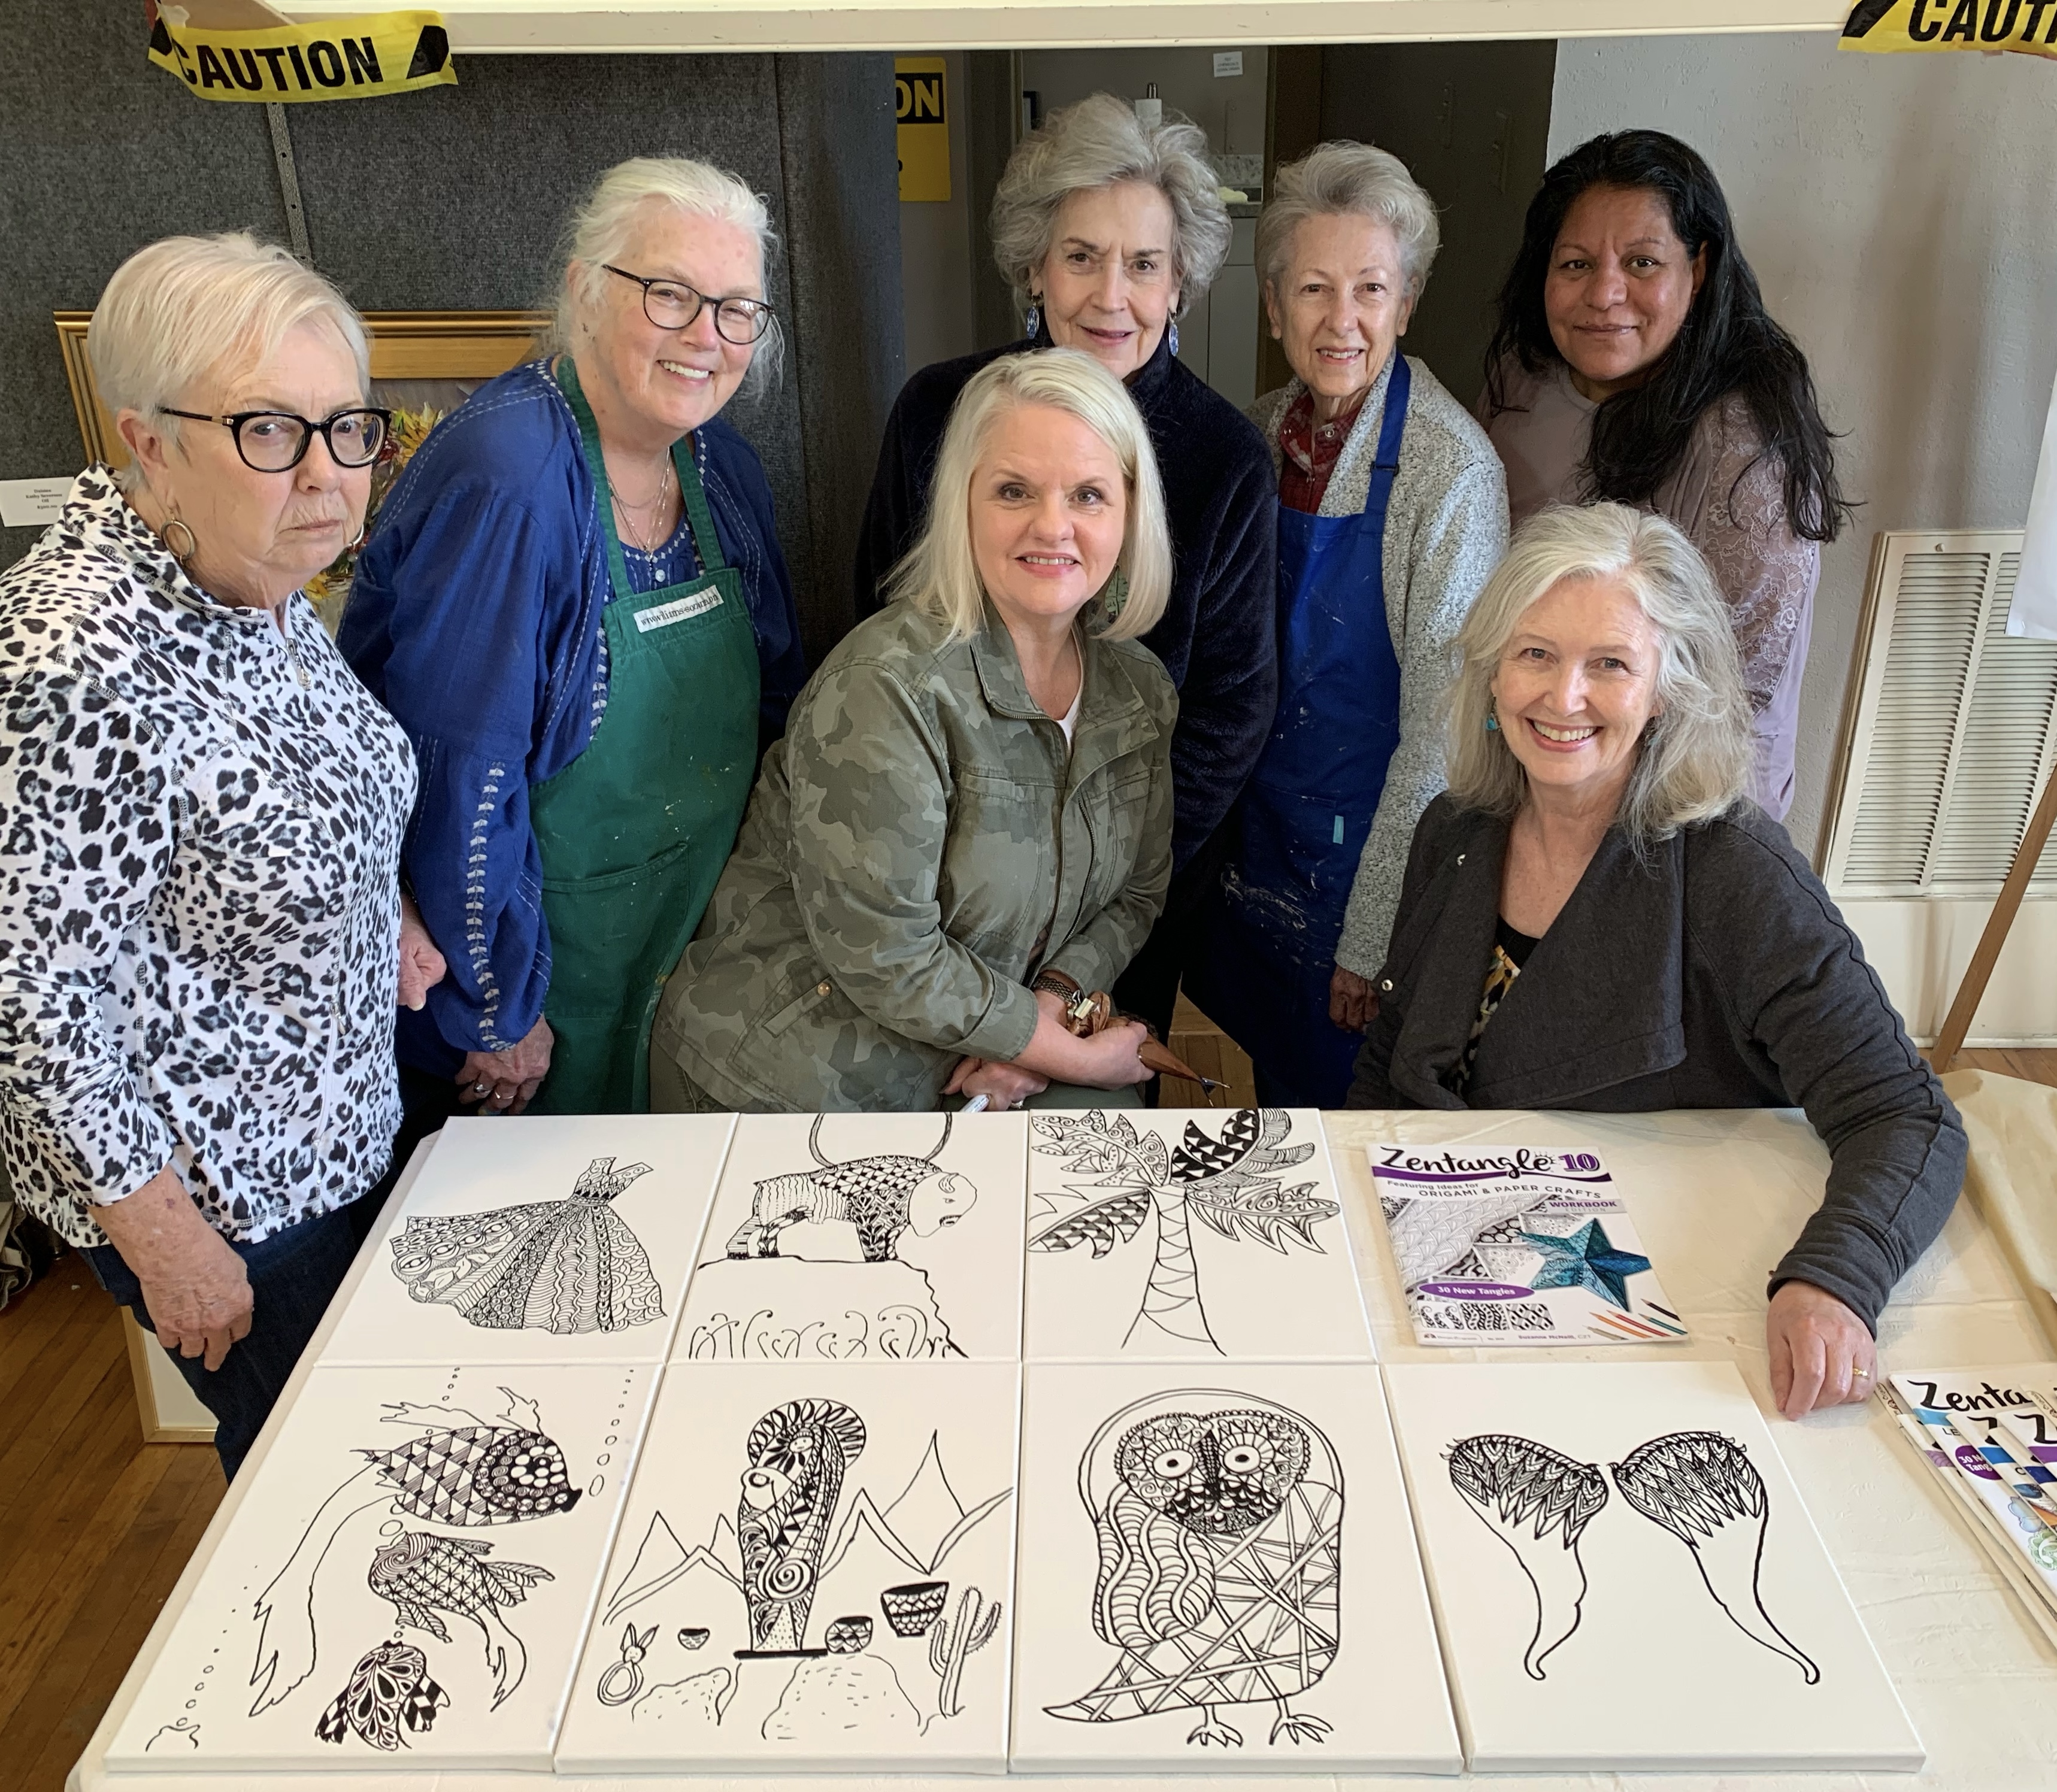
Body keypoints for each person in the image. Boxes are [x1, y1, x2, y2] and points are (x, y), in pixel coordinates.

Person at [1349, 504, 1964, 1420]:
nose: (1562, 697)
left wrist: (1833, 1278)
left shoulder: (1734, 871)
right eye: (1533, 654)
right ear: (1490, 672)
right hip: (1452, 1254)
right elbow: (1392, 1053)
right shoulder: (1454, 829)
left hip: (1658, 1297)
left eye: (1608, 664)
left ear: (1667, 688)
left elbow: (1905, 1115)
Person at [0, 234, 446, 1478]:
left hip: (333, 1130)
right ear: (146, 441)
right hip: (227, 1196)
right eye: (267, 429)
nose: (326, 474)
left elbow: (285, 795)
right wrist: (167, 1243)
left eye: (346, 427)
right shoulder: (73, 659)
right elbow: (30, 999)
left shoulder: (241, 570)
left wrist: (380, 914)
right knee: (328, 1484)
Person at [342, 156, 806, 1118]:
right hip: (540, 974)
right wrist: (497, 1007)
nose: (706, 337)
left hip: (685, 945)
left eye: (735, 310)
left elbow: (775, 702)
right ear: (583, 289)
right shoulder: (509, 479)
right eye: (669, 294)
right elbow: (460, 776)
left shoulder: (719, 466)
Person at [853, 93, 1276, 1053]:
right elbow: (878, 623)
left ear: (1180, 283)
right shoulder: (935, 412)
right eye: (1080, 257)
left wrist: (1091, 914)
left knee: (1093, 1123)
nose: (1109, 296)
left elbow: (1230, 710)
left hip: (1119, 904)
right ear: (1032, 267)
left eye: (1143, 264)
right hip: (935, 887)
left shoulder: (1224, 459)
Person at [652, 349, 1176, 1114]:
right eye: (1014, 490)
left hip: (965, 1064)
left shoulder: (1139, 690)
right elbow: (888, 954)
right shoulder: (885, 686)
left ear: (1129, 514)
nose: (1052, 525)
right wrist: (1066, 1053)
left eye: (1088, 494)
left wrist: (1053, 1002)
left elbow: (1136, 892)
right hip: (783, 1086)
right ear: (963, 505)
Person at [1185, 142, 1508, 1107]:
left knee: (1348, 1117)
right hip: (1257, 843)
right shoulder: (1251, 438)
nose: (1341, 319)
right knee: (1272, 1079)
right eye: (1312, 288)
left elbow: (1441, 737)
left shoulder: (1450, 472)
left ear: (1404, 304)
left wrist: (1370, 938)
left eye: (1369, 288)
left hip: (1365, 867)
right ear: (1271, 306)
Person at [1479, 129, 1850, 820]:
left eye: (1642, 262)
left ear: (1699, 269)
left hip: (1678, 800)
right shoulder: (1520, 382)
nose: (1605, 294)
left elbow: (1731, 687)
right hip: (1536, 758)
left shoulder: (1747, 447)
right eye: (1576, 264)